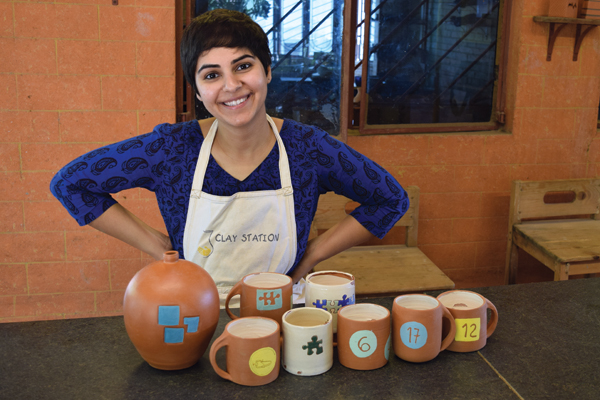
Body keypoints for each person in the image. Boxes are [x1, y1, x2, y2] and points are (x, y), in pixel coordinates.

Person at [50, 9, 409, 304]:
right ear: (199, 91)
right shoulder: (171, 150)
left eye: (242, 66)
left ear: (266, 71)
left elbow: (390, 199)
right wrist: (162, 249)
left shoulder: (307, 149)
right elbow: (70, 184)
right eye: (212, 74)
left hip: (284, 313)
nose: (231, 86)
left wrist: (311, 255)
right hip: (196, 312)